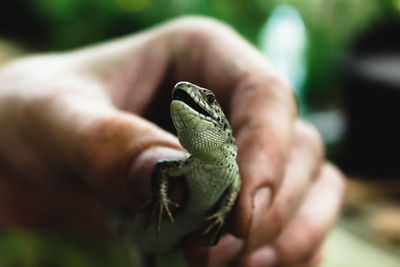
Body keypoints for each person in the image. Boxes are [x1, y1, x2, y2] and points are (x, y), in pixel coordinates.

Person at [0, 17, 345, 267]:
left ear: (224, 127)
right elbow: (162, 172)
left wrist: (219, 215)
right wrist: (158, 195)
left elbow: (230, 195)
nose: (186, 92)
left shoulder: (228, 166)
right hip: (134, 231)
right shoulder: (190, 162)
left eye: (206, 100)